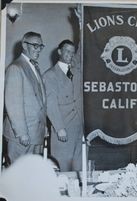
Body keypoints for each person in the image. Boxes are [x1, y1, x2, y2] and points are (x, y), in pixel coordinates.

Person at [3, 31, 47, 163]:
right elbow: (13, 103)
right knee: (20, 176)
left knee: (32, 174)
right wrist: (22, 133)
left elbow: (40, 101)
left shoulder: (34, 67)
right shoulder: (16, 68)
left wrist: (43, 127)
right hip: (23, 135)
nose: (38, 49)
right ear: (24, 45)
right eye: (35, 45)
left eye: (40, 46)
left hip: (35, 133)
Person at [43, 40, 83, 171]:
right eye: (67, 51)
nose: (70, 54)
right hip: (63, 127)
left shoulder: (77, 73)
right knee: (62, 166)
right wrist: (59, 128)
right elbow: (51, 103)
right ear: (59, 51)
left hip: (79, 127)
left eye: (72, 52)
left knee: (79, 166)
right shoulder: (50, 75)